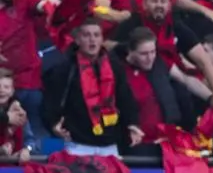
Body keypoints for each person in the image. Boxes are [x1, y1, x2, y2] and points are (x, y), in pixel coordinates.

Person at [44, 18, 143, 156]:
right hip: (77, 145)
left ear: (102, 39)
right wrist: (54, 124)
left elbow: (125, 97)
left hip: (109, 144)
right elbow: (51, 100)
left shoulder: (114, 65)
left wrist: (132, 124)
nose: (92, 40)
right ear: (77, 40)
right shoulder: (65, 68)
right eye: (87, 35)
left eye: (96, 35)